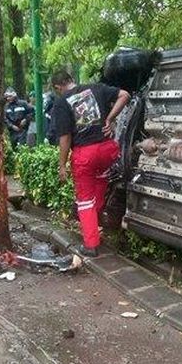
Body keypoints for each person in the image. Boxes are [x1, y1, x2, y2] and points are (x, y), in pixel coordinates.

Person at [50, 70, 130, 257]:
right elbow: (125, 95)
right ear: (71, 79)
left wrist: (62, 164)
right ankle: (96, 225)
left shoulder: (62, 102)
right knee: (99, 187)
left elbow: (65, 137)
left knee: (85, 199)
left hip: (85, 155)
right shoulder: (96, 88)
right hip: (107, 151)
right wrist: (109, 119)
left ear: (58, 87)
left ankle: (91, 244)